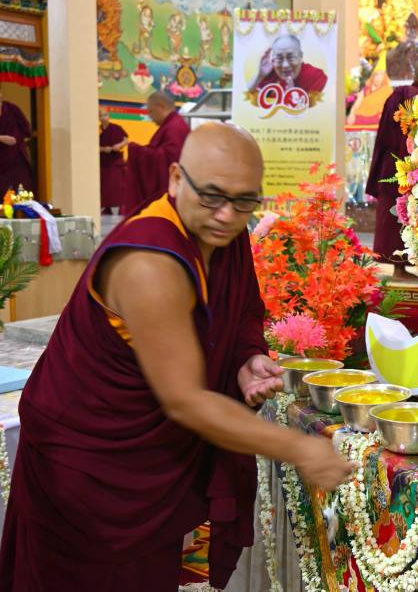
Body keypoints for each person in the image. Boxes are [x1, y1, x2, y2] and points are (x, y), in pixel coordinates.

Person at [0, 123, 355, 592]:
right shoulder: (150, 263)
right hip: (87, 466)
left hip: (149, 465)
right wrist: (301, 449)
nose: (226, 215)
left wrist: (246, 356)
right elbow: (185, 400)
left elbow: (243, 310)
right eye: (212, 196)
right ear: (174, 179)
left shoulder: (221, 231)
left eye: (244, 202)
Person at [366, 57, 418, 274]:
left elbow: (384, 134)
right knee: (406, 216)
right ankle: (402, 269)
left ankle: (399, 269)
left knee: (394, 218)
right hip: (413, 165)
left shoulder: (397, 96)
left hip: (391, 165)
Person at [122, 91, 190, 213]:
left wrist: (137, 151)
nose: (150, 116)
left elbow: (170, 159)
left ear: (160, 107)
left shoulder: (174, 127)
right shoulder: (171, 124)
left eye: (151, 111)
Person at [249, 34, 328, 94]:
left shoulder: (315, 77)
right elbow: (246, 96)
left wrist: (292, 97)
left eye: (290, 57)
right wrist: (260, 76)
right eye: (279, 58)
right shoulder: (271, 71)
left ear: (300, 56)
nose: (285, 65)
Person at [0, 89, 34, 195]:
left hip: (16, 160)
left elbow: (26, 129)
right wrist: (1, 138)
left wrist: (17, 139)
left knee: (20, 193)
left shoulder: (11, 108)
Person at [99, 108, 128, 214]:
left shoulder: (116, 128)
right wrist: (103, 149)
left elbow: (126, 140)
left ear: (109, 116)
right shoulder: (98, 130)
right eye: (101, 115)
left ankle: (119, 207)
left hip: (116, 160)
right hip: (103, 161)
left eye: (105, 115)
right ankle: (105, 207)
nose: (104, 117)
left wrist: (119, 145)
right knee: (105, 186)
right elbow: (92, 145)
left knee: (117, 185)